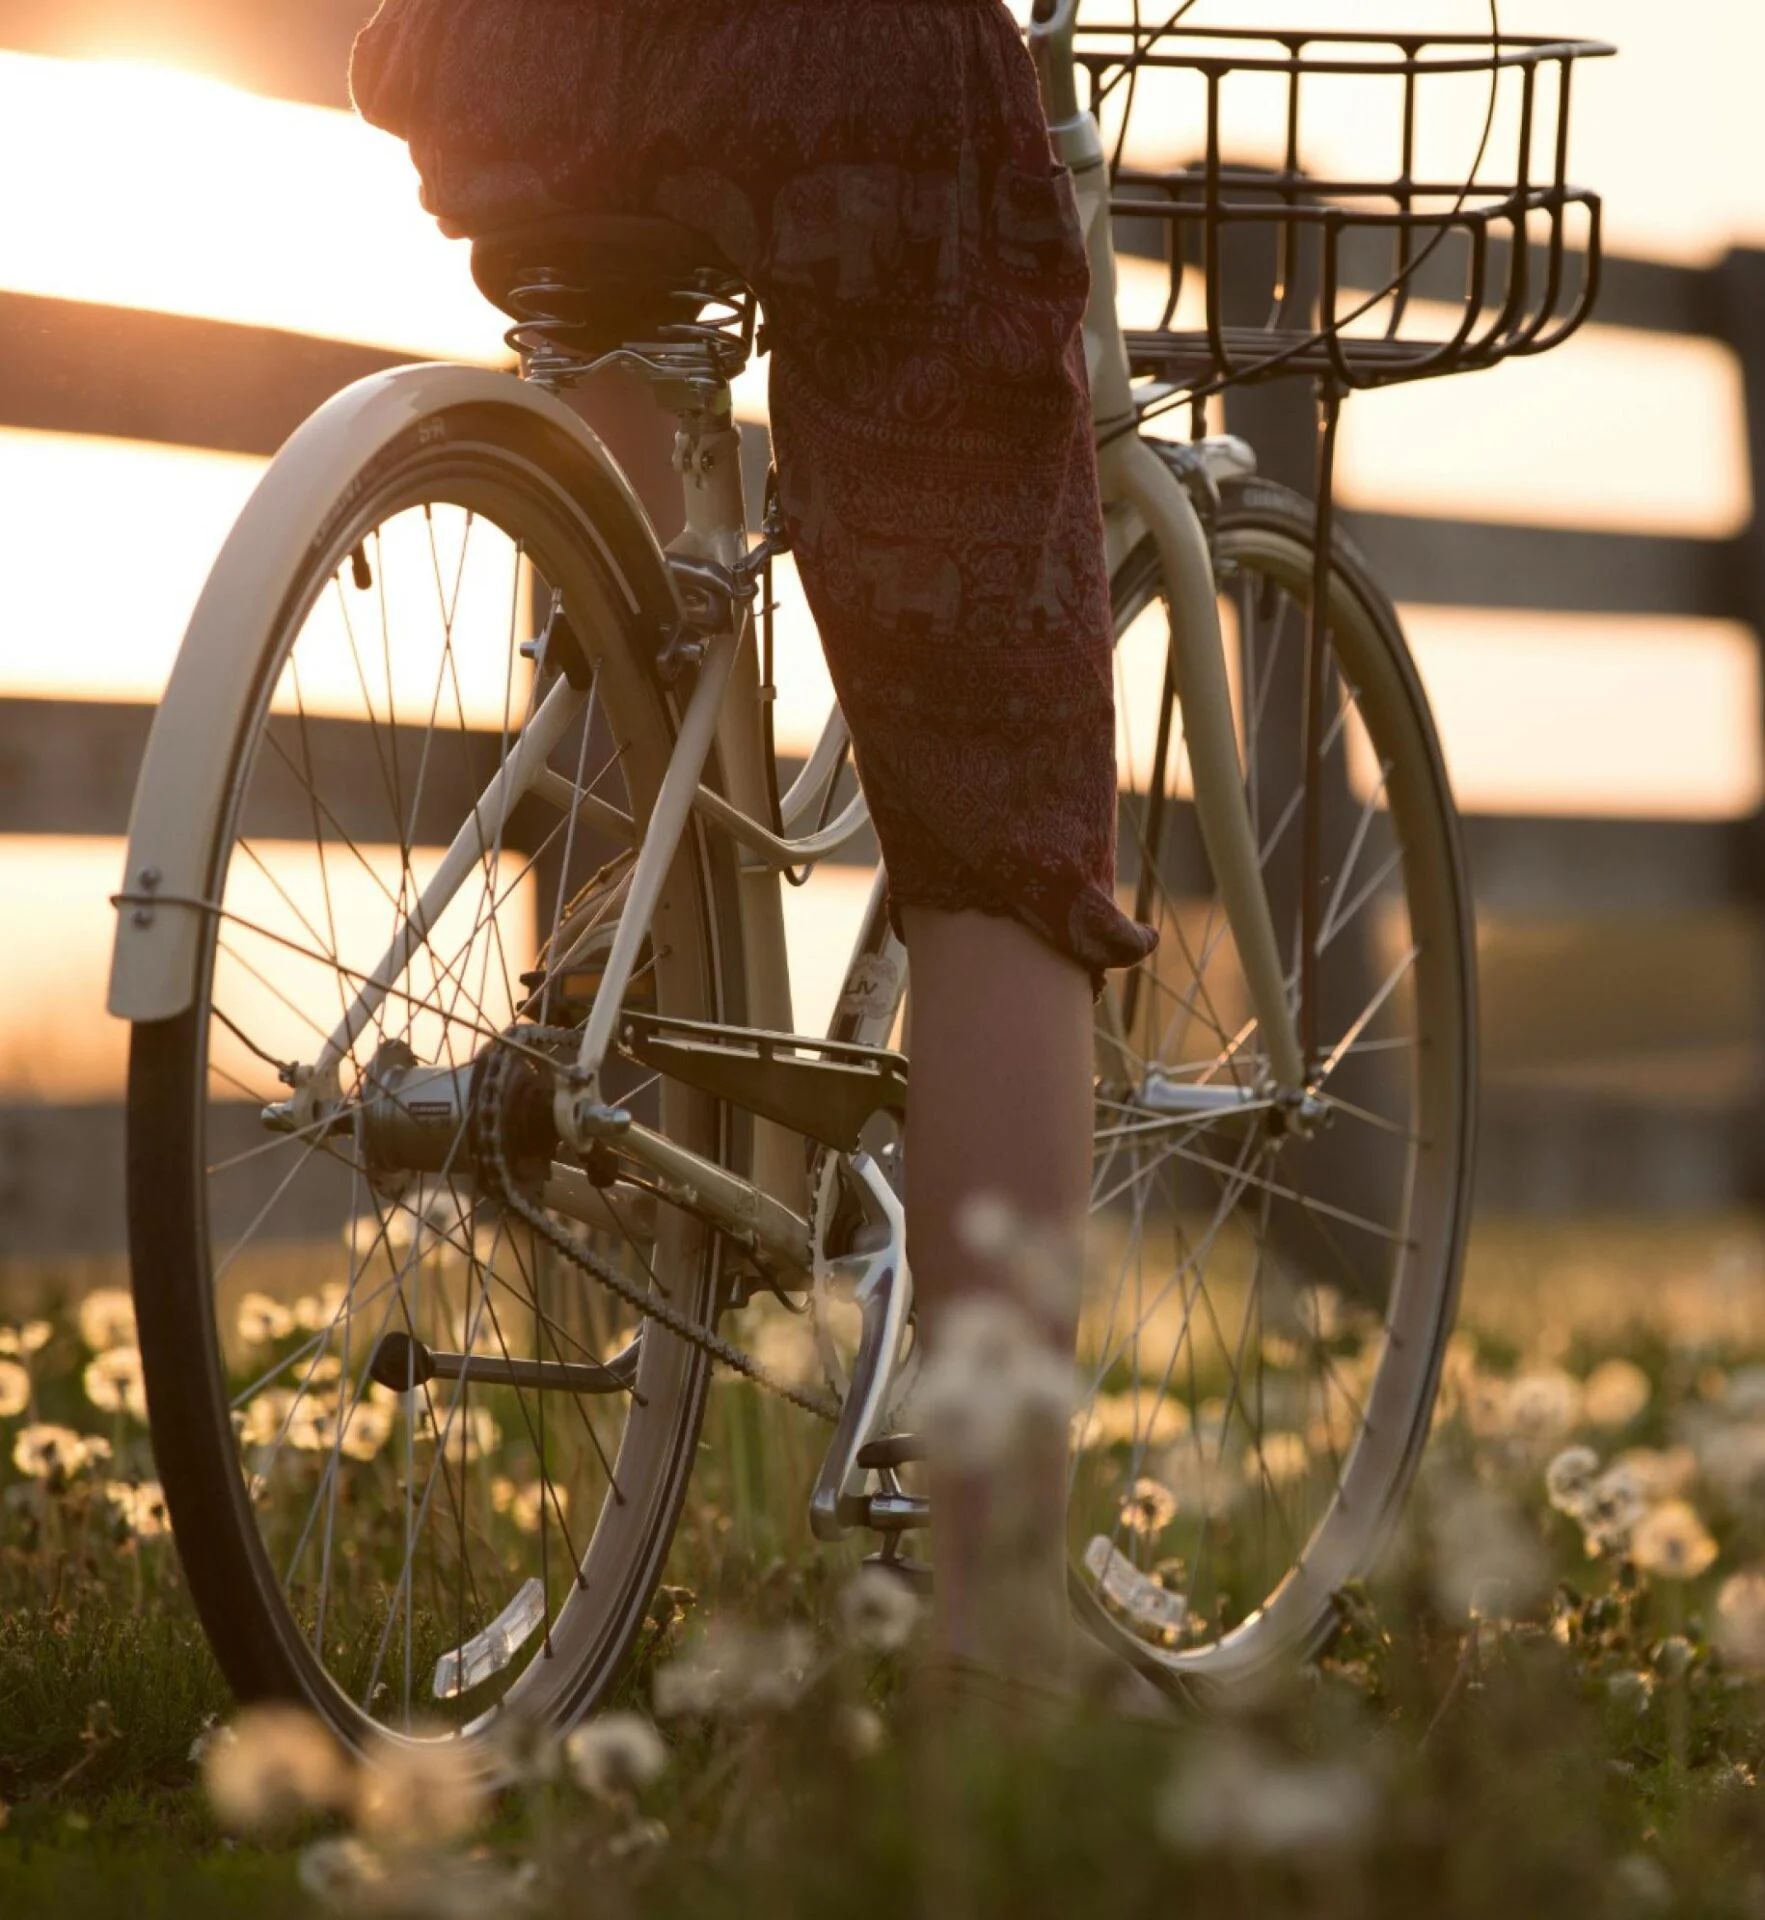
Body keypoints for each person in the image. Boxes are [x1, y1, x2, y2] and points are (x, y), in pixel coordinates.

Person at [349, 0, 1157, 1700]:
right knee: (1001, 815)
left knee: (630, 553)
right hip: (838, 74)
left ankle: (624, 1007)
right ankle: (997, 1633)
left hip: (511, 57)